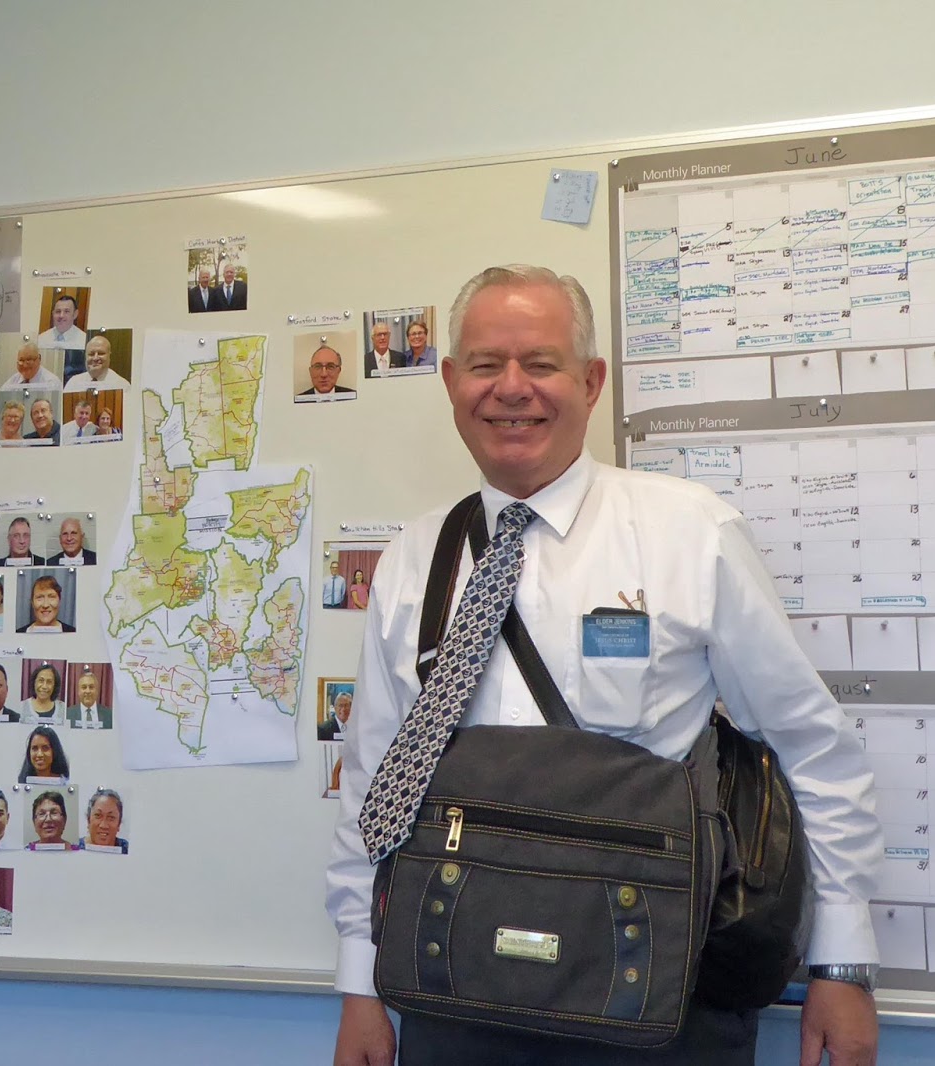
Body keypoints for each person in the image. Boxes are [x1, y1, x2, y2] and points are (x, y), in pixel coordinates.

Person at [326, 265, 882, 1066]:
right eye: (485, 365)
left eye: (540, 364)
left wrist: (842, 963)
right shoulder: (415, 558)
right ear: (450, 382)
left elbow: (811, 747)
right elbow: (375, 779)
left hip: (653, 992)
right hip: (454, 990)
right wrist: (359, 981)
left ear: (590, 382)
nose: (510, 388)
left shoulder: (688, 534)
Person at [63, 333, 130, 391]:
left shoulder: (122, 385)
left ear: (109, 356)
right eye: (91, 354)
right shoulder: (73, 383)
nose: (95, 358)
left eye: (101, 353)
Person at [79, 788, 129, 853]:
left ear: (119, 824)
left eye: (111, 817)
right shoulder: (73, 848)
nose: (103, 825)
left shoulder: (127, 849)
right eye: (98, 815)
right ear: (88, 820)